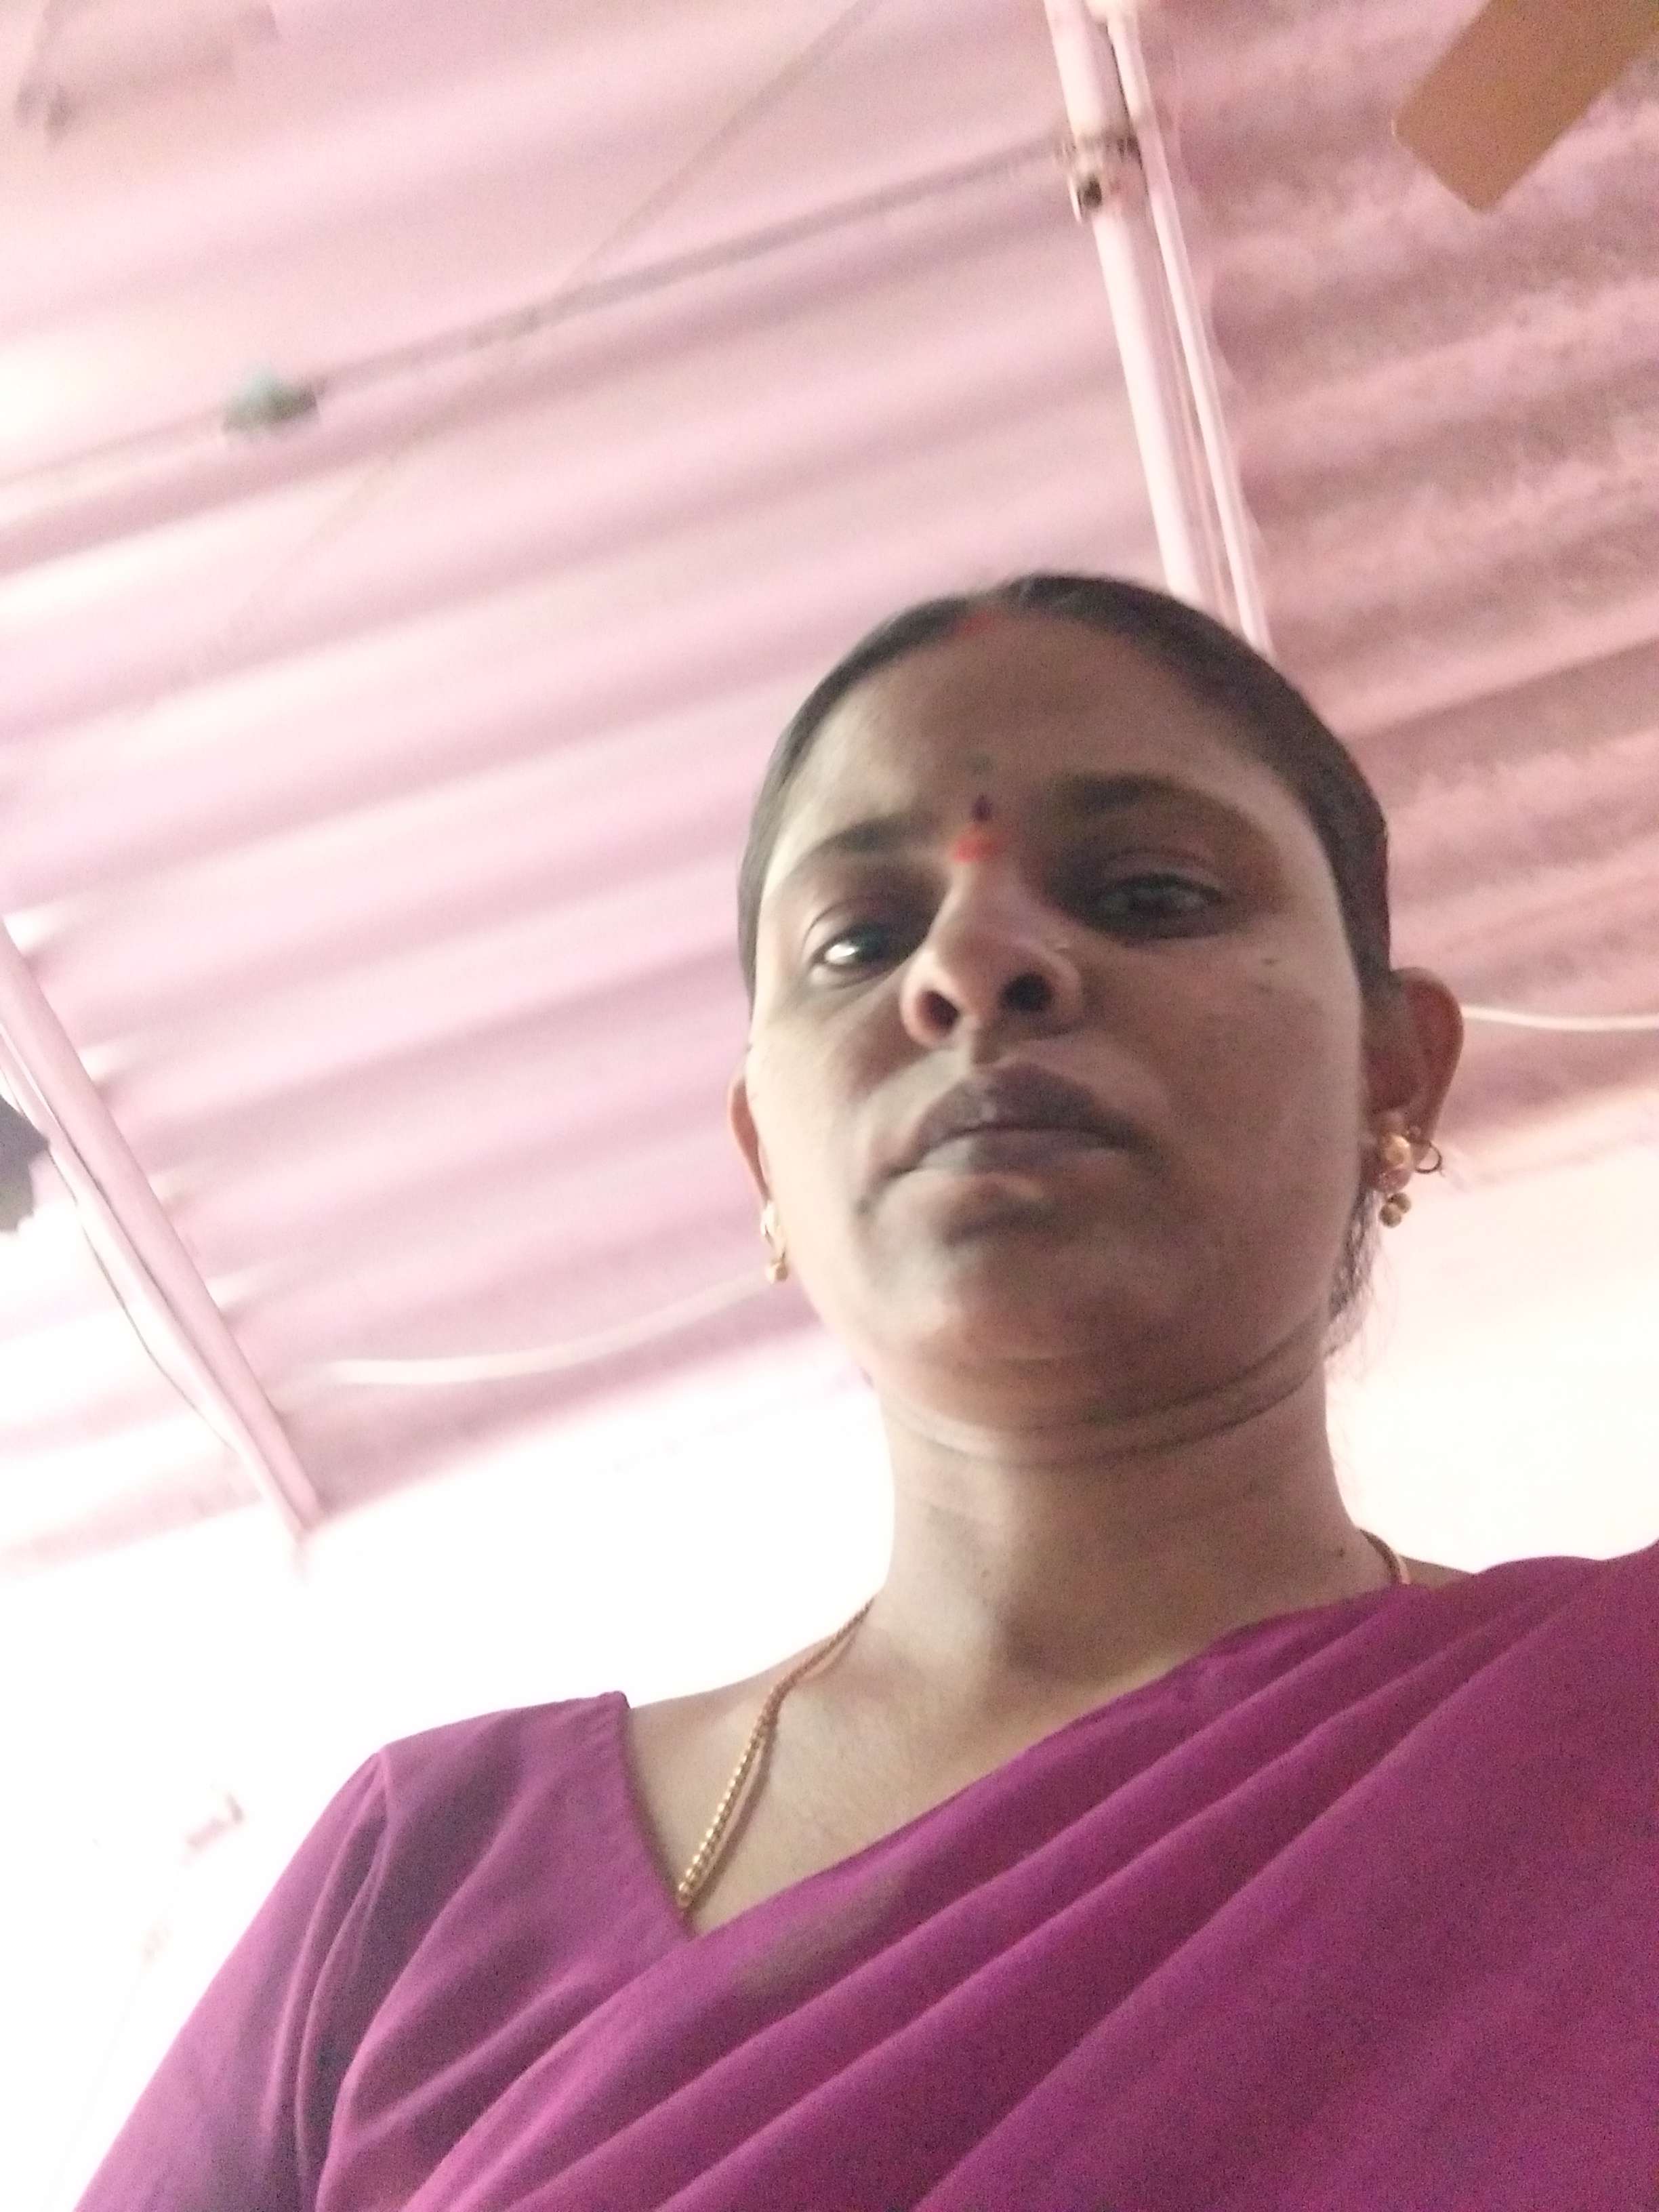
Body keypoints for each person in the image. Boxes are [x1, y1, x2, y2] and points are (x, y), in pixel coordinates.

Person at [76, 576, 1657, 2212]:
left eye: (1150, 892)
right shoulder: (422, 1880)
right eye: (858, 940)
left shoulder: (1617, 1724)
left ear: (1396, 1071)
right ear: (765, 1151)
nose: (974, 964)